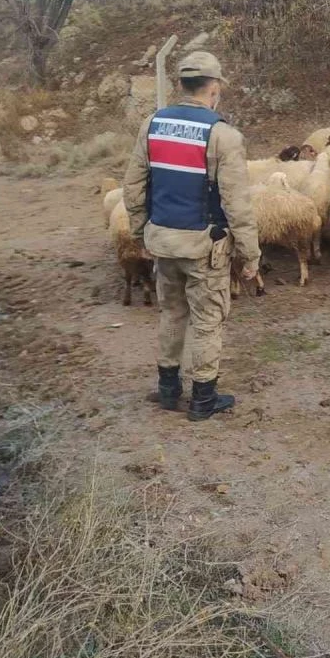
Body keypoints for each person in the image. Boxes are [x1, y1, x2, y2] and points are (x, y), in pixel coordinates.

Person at [123, 50, 260, 420]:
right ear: (213, 88)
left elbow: (133, 186)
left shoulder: (152, 124)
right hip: (203, 246)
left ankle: (169, 390)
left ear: (181, 84)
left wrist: (140, 232)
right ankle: (203, 399)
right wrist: (250, 254)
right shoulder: (222, 135)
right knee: (207, 320)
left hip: (162, 240)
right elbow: (237, 204)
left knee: (171, 312)